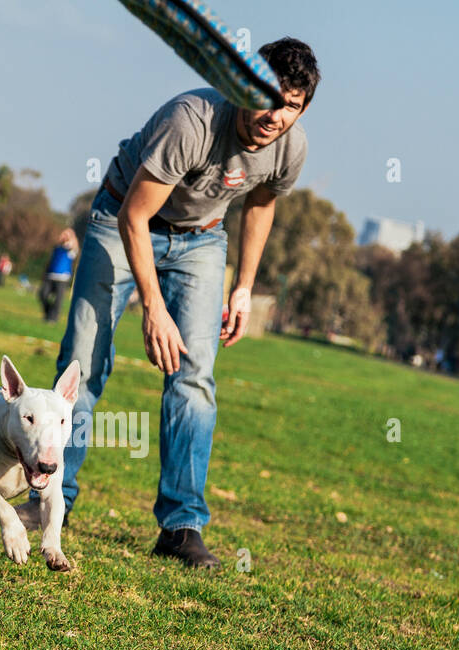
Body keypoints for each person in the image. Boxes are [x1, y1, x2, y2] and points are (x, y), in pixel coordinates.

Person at [18, 37, 316, 568]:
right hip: (122, 220)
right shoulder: (192, 120)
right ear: (241, 83)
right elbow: (134, 215)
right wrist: (153, 307)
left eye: (291, 105)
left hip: (202, 238)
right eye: (268, 97)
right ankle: (50, 502)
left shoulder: (289, 147)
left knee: (194, 377)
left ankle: (181, 526)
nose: (275, 115)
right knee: (82, 367)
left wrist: (243, 286)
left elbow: (262, 205)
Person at [39, 228, 80, 323]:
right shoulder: (57, 248)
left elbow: (75, 245)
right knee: (43, 294)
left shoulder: (70, 250)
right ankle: (48, 313)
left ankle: (53, 318)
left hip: (62, 278)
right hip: (50, 276)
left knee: (58, 299)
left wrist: (70, 235)